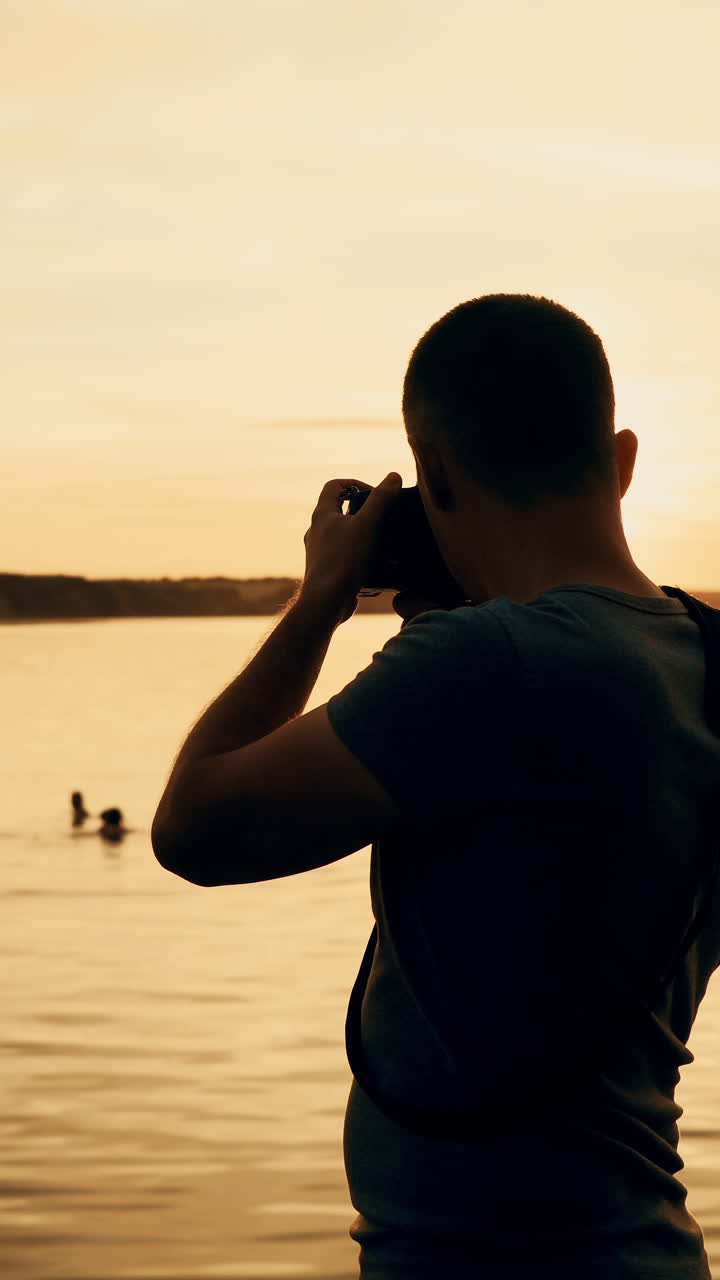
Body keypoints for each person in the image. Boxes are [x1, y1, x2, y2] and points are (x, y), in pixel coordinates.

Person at [151, 294, 720, 1279]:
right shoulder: (698, 658)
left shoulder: (493, 662)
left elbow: (194, 826)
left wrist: (322, 598)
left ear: (437, 473)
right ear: (622, 460)